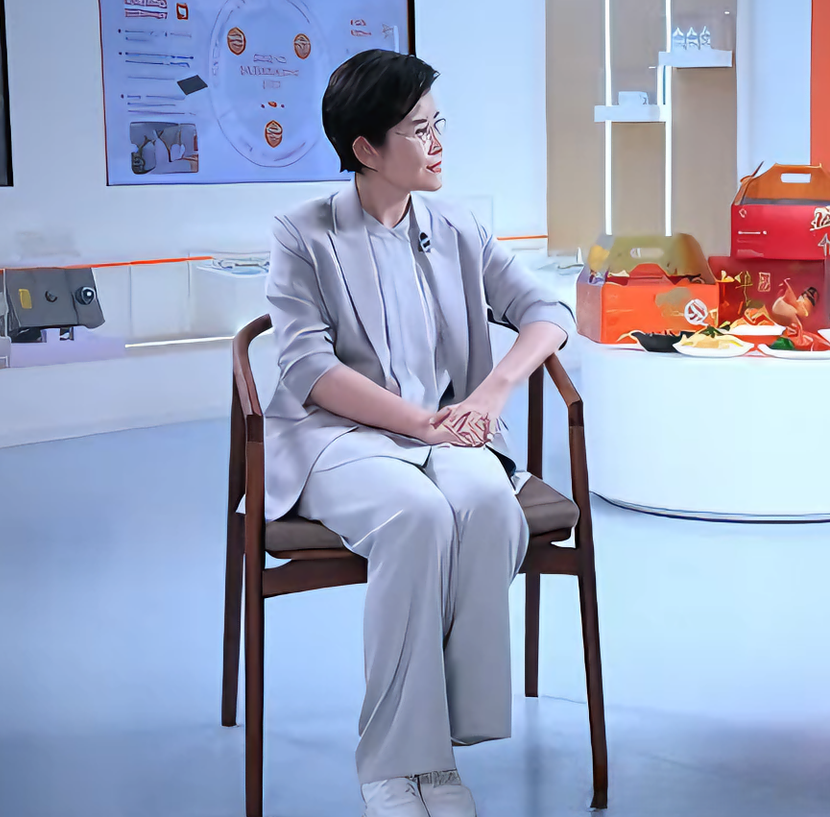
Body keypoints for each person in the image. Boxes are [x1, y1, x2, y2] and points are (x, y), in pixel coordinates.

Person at [261, 50, 574, 817]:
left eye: (439, 124)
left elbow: (547, 312)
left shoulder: (457, 225)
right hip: (336, 439)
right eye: (418, 130)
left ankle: (435, 753)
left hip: (449, 433)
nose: (438, 144)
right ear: (366, 149)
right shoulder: (303, 233)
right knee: (417, 515)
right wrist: (422, 421)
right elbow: (308, 368)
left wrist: (492, 392)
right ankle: (395, 765)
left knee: (487, 504)